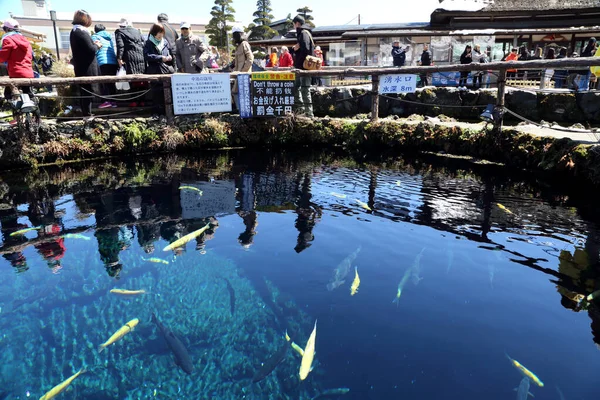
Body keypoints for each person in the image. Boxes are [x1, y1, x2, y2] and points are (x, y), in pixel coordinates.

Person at [70, 10, 101, 116]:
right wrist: (97, 45)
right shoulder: (81, 32)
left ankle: (86, 113)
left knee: (85, 91)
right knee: (88, 91)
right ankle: (87, 114)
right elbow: (91, 49)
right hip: (86, 67)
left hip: (80, 66)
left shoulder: (74, 31)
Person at [144, 23, 175, 114]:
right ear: (154, 32)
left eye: (162, 33)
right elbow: (147, 56)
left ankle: (168, 112)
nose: (160, 35)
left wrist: (169, 57)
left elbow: (169, 52)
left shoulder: (165, 42)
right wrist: (160, 57)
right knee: (157, 93)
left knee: (167, 91)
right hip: (155, 70)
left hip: (166, 70)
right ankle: (158, 113)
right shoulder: (148, 43)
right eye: (159, 33)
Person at [0, 18, 34, 102]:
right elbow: (31, 56)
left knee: (8, 94)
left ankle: (15, 109)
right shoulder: (26, 40)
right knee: (28, 94)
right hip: (28, 72)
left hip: (15, 72)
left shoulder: (8, 39)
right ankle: (35, 113)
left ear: (7, 29)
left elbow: (3, 57)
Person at [290, 15, 314, 118]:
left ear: (297, 23)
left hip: (303, 67)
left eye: (294, 24)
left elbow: (305, 49)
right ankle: (302, 111)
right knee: (299, 88)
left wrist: (298, 60)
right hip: (302, 66)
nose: (294, 26)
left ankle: (308, 113)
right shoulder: (304, 33)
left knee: (304, 89)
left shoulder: (303, 33)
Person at [91, 24, 118, 108]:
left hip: (102, 62)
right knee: (112, 83)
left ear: (95, 30)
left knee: (104, 83)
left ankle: (106, 101)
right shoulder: (109, 38)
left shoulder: (95, 37)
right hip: (113, 62)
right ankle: (113, 102)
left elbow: (95, 50)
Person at [230, 26, 253, 110]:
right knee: (235, 92)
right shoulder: (238, 46)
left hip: (243, 75)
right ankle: (241, 111)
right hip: (238, 74)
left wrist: (243, 71)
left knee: (238, 92)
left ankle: (242, 111)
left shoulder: (244, 44)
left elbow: (250, 59)